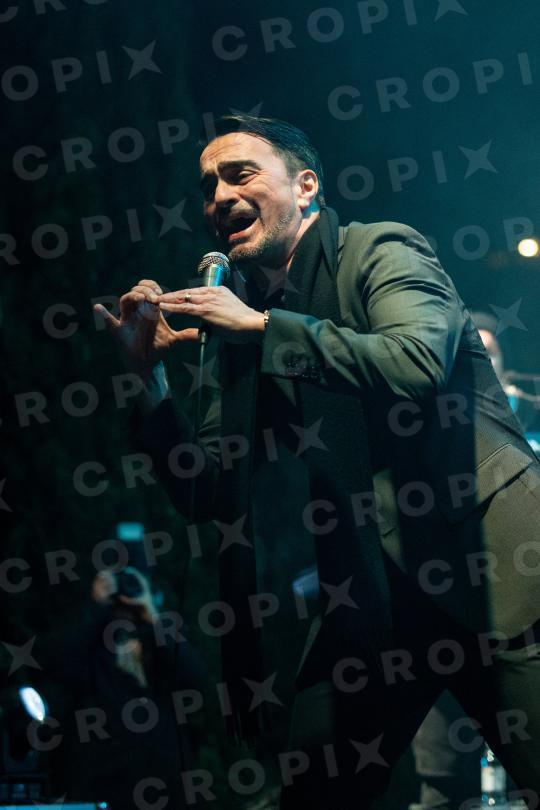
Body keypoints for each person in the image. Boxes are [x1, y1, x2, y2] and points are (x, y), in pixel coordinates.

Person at [95, 115, 540, 809]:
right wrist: (146, 380)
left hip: (495, 569)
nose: (219, 195)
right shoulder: (243, 320)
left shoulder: (381, 249)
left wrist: (263, 328)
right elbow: (209, 491)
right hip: (373, 598)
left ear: (306, 187)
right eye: (208, 186)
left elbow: (416, 361)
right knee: (314, 794)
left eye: (240, 174)